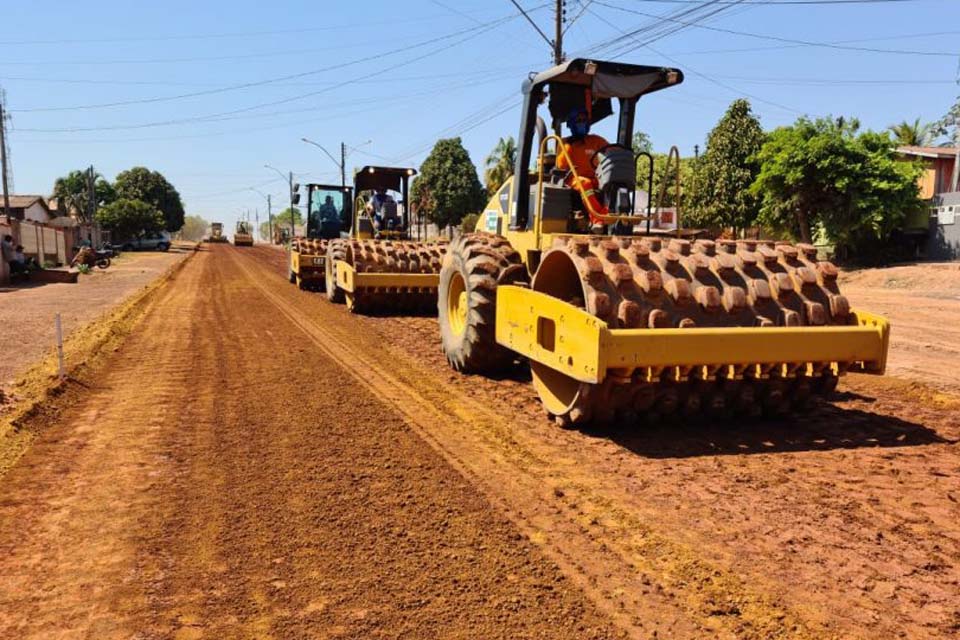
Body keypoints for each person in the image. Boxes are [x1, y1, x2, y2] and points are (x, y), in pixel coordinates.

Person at [555, 107, 610, 220]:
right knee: (585, 183)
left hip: (595, 178)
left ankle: (615, 216)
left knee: (612, 182)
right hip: (573, 179)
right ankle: (598, 218)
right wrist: (569, 146)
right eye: (578, 120)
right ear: (571, 124)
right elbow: (561, 166)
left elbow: (611, 151)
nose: (582, 123)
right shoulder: (564, 143)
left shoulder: (596, 140)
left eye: (584, 120)